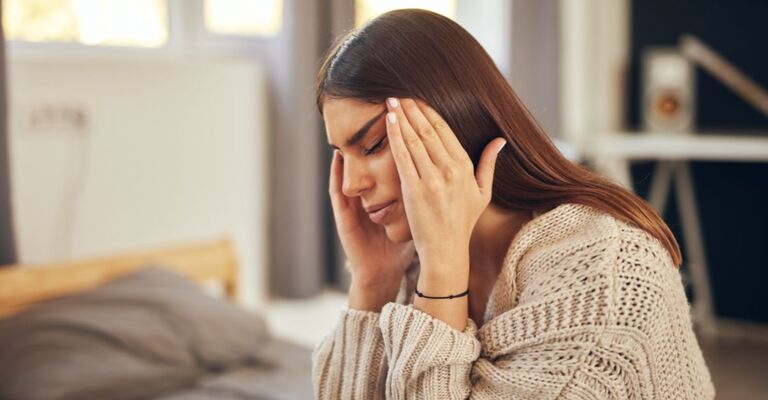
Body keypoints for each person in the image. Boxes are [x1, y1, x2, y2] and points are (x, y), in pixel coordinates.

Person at [311, 9, 714, 400]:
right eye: (341, 156)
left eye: (374, 144)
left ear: (454, 120)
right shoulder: (413, 260)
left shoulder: (602, 277)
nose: (350, 185)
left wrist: (443, 276)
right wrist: (373, 279)